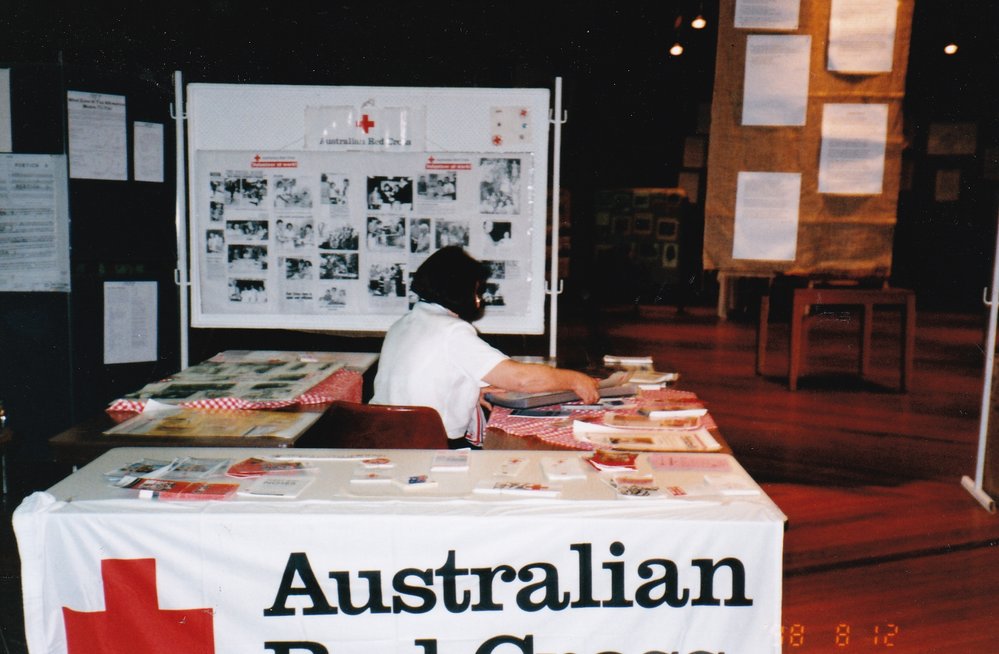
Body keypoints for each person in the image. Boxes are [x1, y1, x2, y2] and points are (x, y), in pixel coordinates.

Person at [371, 246, 600, 447]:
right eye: (477, 290)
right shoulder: (451, 331)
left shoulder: (404, 324)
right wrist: (574, 379)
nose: (479, 300)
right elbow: (520, 379)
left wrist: (469, 388)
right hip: (427, 444)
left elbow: (419, 380)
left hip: (384, 437)